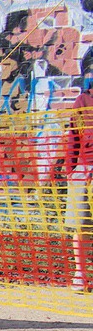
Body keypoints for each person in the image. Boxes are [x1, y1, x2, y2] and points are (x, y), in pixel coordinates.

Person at [67, 83, 93, 292]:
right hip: (84, 168)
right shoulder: (83, 101)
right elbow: (73, 136)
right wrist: (71, 169)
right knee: (80, 224)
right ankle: (80, 274)